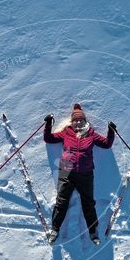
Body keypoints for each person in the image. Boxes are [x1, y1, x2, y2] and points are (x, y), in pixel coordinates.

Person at [44, 103, 116, 245]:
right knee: (61, 202)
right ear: (72, 122)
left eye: (80, 120)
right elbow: (49, 139)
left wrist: (111, 131)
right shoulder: (66, 133)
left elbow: (107, 144)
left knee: (88, 203)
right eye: (75, 120)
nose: (77, 123)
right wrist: (48, 124)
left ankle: (93, 232)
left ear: (84, 121)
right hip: (66, 172)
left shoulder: (91, 134)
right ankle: (55, 229)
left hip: (85, 174)